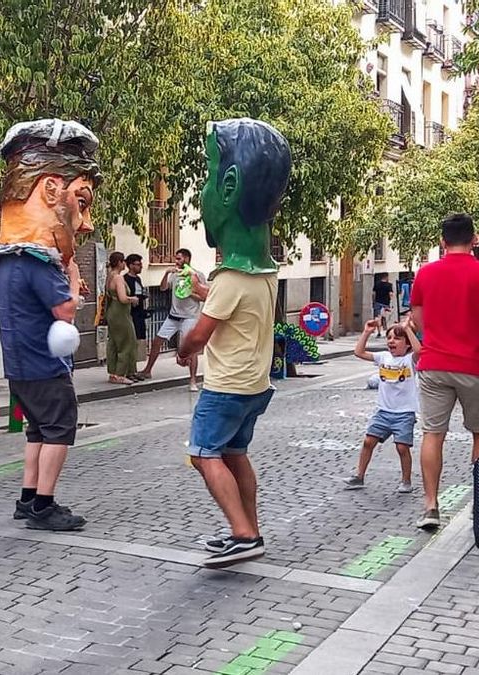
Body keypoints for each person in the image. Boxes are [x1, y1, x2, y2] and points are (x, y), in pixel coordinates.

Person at [176, 118, 291, 568]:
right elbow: (235, 305)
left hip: (226, 386)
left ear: (228, 188)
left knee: (203, 455)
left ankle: (242, 534)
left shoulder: (229, 277)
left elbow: (202, 333)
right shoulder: (263, 271)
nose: (202, 192)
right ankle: (251, 529)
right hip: (255, 385)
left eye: (208, 176)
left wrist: (184, 347)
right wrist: (207, 292)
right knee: (236, 454)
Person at [0, 117, 101, 532]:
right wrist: (70, 274)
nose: (86, 222)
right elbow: (65, 312)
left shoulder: (7, 260)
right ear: (51, 191)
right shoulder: (37, 261)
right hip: (43, 363)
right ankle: (43, 504)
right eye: (82, 202)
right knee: (58, 427)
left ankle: (28, 497)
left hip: (22, 364)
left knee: (37, 429)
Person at [410, 213, 479, 530]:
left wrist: (433, 339)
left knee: (433, 434)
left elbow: (417, 316)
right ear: (474, 239)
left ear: (442, 241)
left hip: (433, 364)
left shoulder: (425, 273)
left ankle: (431, 506)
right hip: (473, 365)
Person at [342, 317, 422, 493]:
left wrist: (408, 329)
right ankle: (359, 476)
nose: (391, 341)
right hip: (383, 411)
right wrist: (366, 332)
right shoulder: (383, 357)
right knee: (368, 442)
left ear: (407, 344)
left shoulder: (410, 359)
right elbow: (359, 352)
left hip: (404, 413)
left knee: (402, 447)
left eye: (397, 338)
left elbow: (419, 351)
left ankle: (406, 481)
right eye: (389, 338)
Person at [140, 248, 207, 388]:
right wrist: (166, 273)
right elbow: (163, 288)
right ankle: (147, 370)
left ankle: (192, 380)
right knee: (157, 341)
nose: (176, 261)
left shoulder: (197, 275)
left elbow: (204, 297)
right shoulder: (175, 275)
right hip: (173, 316)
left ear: (187, 259)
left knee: (191, 349)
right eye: (176, 258)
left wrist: (190, 293)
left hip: (189, 316)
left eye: (179, 258)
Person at [104, 252, 140, 384]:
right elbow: (123, 298)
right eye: (123, 261)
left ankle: (113, 373)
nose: (125, 263)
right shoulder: (118, 278)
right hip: (120, 313)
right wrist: (133, 299)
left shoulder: (110, 276)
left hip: (112, 312)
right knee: (127, 342)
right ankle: (120, 374)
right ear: (119, 262)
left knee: (114, 343)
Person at [123, 253, 149, 353]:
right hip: (130, 314)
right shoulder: (125, 279)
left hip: (140, 312)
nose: (141, 267)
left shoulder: (138, 279)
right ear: (131, 266)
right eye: (138, 264)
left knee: (140, 337)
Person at [373, 272, 394, 337]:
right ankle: (387, 331)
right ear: (386, 277)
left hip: (378, 302)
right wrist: (391, 301)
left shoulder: (377, 284)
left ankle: (379, 332)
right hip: (386, 303)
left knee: (378, 317)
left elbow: (374, 294)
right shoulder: (389, 285)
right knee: (386, 317)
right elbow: (390, 294)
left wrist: (374, 301)